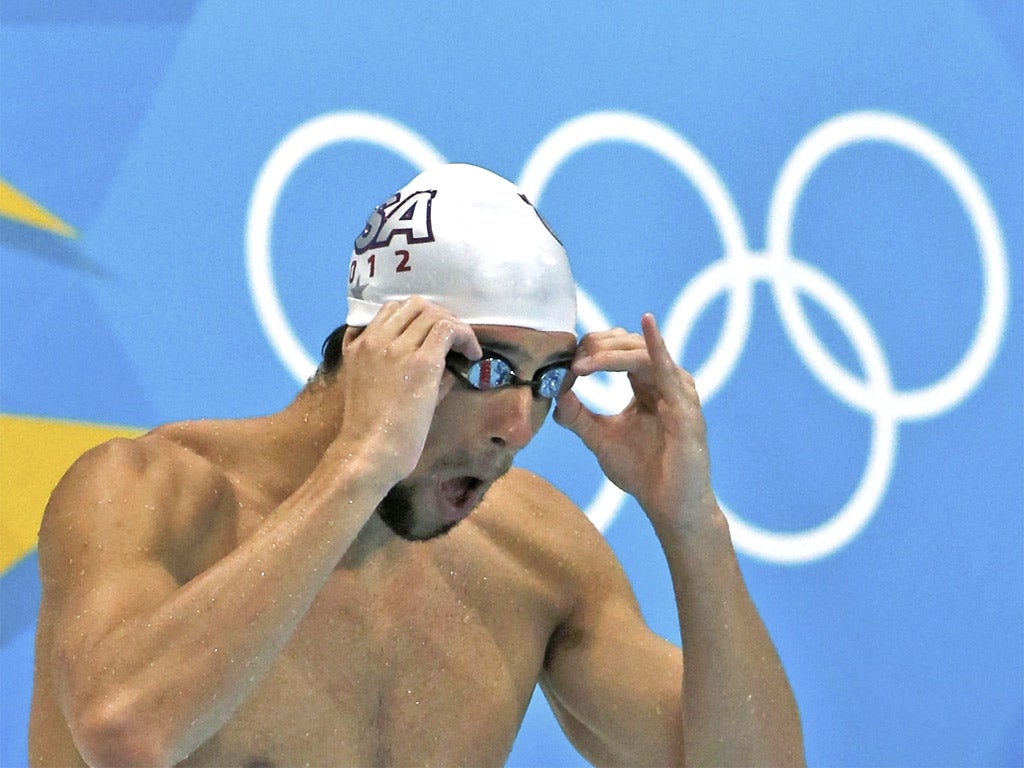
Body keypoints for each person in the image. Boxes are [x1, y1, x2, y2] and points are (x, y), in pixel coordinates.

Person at [28, 163, 804, 767]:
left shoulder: (530, 559)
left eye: (546, 381)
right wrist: (360, 465)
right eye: (490, 369)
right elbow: (125, 733)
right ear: (375, 347)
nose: (516, 428)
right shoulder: (151, 495)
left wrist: (692, 523)